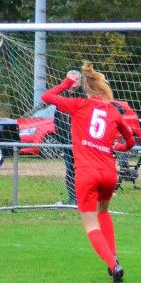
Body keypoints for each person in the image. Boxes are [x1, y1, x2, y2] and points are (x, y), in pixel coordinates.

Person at [42, 64, 136, 283]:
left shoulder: (79, 104)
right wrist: (119, 147)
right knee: (103, 210)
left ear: (87, 89)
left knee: (90, 224)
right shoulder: (114, 111)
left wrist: (67, 83)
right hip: (109, 173)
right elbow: (131, 140)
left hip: (86, 173)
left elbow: (47, 97)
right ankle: (113, 255)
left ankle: (113, 265)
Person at [53, 69, 85, 205]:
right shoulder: (61, 96)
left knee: (83, 170)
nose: (73, 82)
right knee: (70, 170)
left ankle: (84, 198)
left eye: (76, 79)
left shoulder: (85, 96)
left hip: (82, 141)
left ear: (80, 81)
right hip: (66, 141)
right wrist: (60, 138)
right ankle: (72, 198)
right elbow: (57, 120)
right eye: (71, 79)